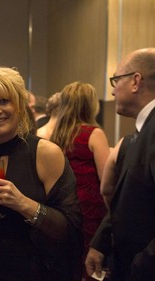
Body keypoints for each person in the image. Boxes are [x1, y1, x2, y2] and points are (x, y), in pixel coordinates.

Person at [0, 66, 83, 281]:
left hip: (39, 271)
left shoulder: (45, 152)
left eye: (3, 101)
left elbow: (70, 228)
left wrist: (22, 203)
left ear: (19, 106)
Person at [85, 48, 155, 281]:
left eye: (116, 80)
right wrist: (101, 242)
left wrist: (142, 265)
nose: (113, 90)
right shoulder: (139, 132)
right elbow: (127, 198)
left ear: (136, 81)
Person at [49, 81, 110, 280]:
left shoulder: (55, 136)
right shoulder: (94, 133)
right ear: (90, 105)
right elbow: (106, 180)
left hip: (65, 206)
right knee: (90, 265)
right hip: (90, 209)